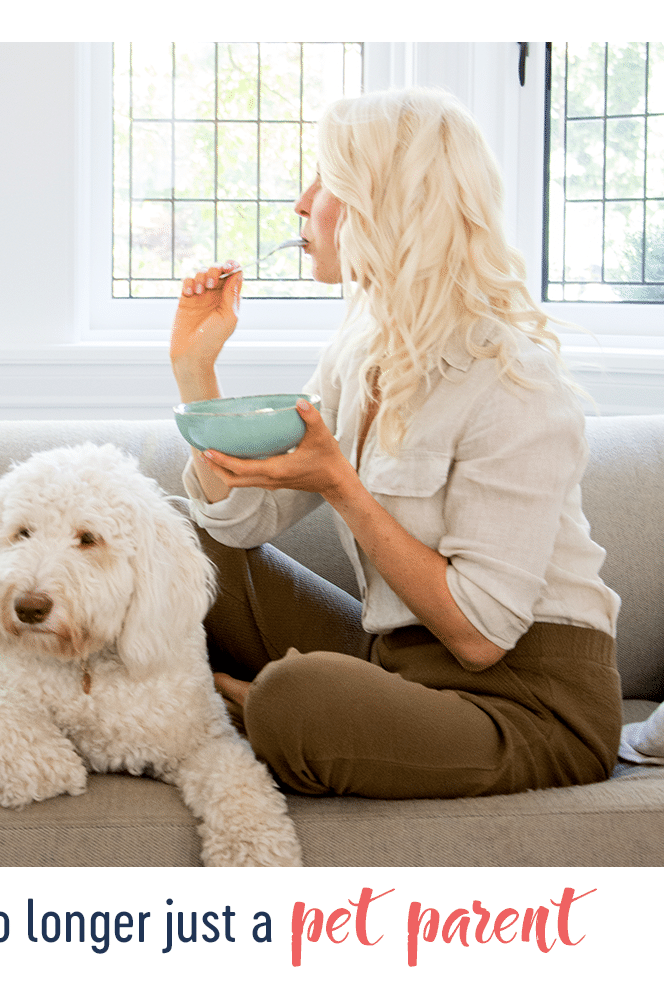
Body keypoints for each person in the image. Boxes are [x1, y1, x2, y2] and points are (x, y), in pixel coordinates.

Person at [168, 87, 622, 799]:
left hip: (527, 701)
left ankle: (250, 705)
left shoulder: (513, 381)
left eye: (323, 181)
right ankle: (242, 702)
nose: (300, 203)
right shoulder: (361, 346)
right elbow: (244, 520)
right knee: (167, 535)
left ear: (380, 205)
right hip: (397, 661)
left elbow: (480, 637)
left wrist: (341, 487)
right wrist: (196, 370)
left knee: (296, 696)